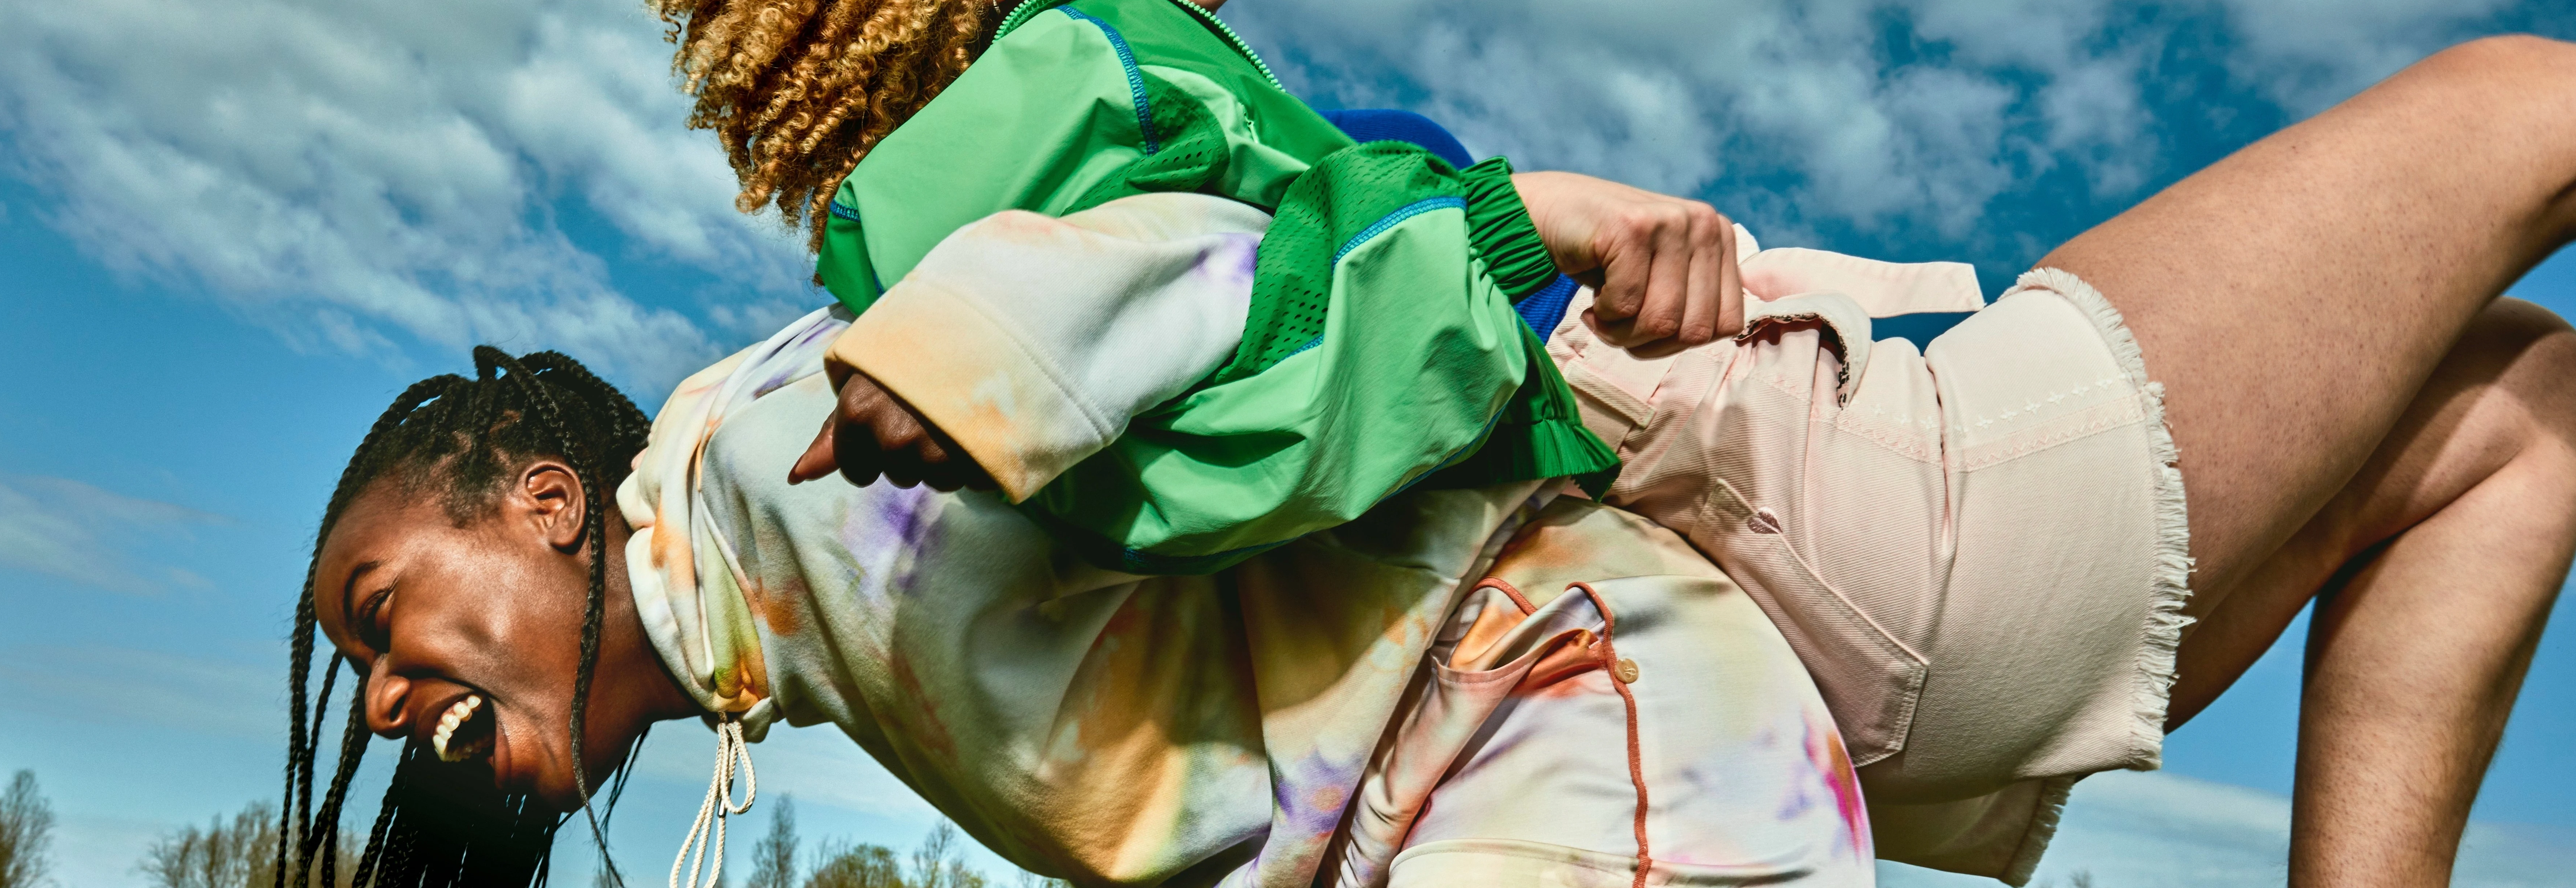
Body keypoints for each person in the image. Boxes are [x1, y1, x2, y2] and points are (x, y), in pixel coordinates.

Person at [610, 0, 2576, 888]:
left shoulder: (1108, 149)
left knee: (2511, 406)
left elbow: (1191, 383)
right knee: (2521, 113)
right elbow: (1217, 363)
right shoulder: (1073, 83)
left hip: (1810, 667)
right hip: (1874, 522)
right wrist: (1522, 215)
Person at [287, 342, 1873, 888]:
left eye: (376, 613)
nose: (371, 703)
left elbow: (1221, 269)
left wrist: (1516, 226)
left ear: (549, 505)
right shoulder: (775, 599)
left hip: (1564, 705)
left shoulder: (794, 444)